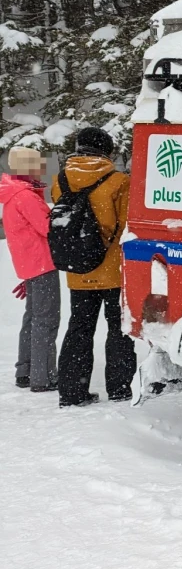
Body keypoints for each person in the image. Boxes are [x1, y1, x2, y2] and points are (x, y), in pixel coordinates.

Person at [52, 127, 135, 407]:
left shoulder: (61, 179)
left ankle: (72, 392)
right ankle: (121, 387)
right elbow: (125, 227)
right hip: (112, 270)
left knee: (79, 328)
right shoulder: (119, 181)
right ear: (107, 151)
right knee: (118, 328)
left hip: (78, 269)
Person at [0, 147, 61, 392]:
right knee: (46, 320)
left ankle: (25, 370)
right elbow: (49, 228)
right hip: (42, 263)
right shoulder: (25, 196)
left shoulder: (13, 193)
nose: (41, 169)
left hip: (29, 263)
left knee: (33, 319)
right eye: (37, 165)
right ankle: (43, 376)